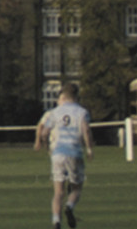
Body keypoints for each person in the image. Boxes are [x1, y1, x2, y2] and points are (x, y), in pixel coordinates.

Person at [35, 82, 94, 229]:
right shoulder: (82, 112)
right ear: (76, 96)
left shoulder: (55, 112)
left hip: (58, 154)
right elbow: (86, 130)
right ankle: (69, 206)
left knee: (58, 192)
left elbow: (44, 132)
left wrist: (46, 147)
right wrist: (89, 148)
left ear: (63, 96)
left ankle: (56, 221)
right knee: (76, 188)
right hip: (74, 152)